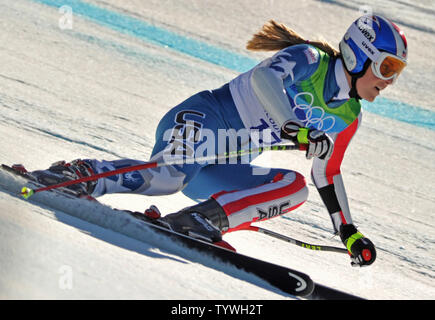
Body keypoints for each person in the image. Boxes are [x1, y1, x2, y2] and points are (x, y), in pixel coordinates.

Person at [30, 15, 407, 267]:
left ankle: (198, 221)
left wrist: (347, 231)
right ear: (361, 54)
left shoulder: (348, 117)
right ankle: (80, 174)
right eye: (387, 67)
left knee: (294, 187)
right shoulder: (309, 58)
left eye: (397, 72)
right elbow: (265, 82)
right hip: (203, 121)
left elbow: (328, 172)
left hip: (225, 165)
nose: (389, 80)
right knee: (167, 178)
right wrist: (294, 128)